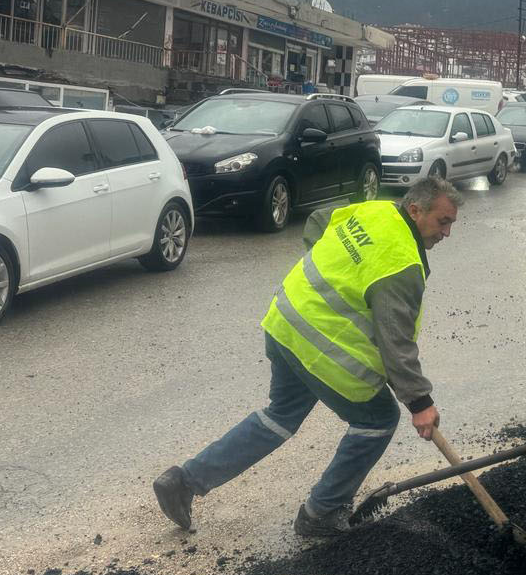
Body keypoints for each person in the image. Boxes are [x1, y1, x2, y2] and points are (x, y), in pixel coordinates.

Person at [152, 176, 462, 538]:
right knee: (377, 420)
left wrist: (335, 267)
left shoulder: (373, 210)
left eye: (451, 223)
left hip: (285, 323)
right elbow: (396, 344)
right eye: (443, 221)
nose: (447, 233)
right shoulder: (401, 264)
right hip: (320, 347)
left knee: (278, 418)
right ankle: (321, 512)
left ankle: (183, 481)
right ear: (415, 210)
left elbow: (318, 221)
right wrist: (420, 403)